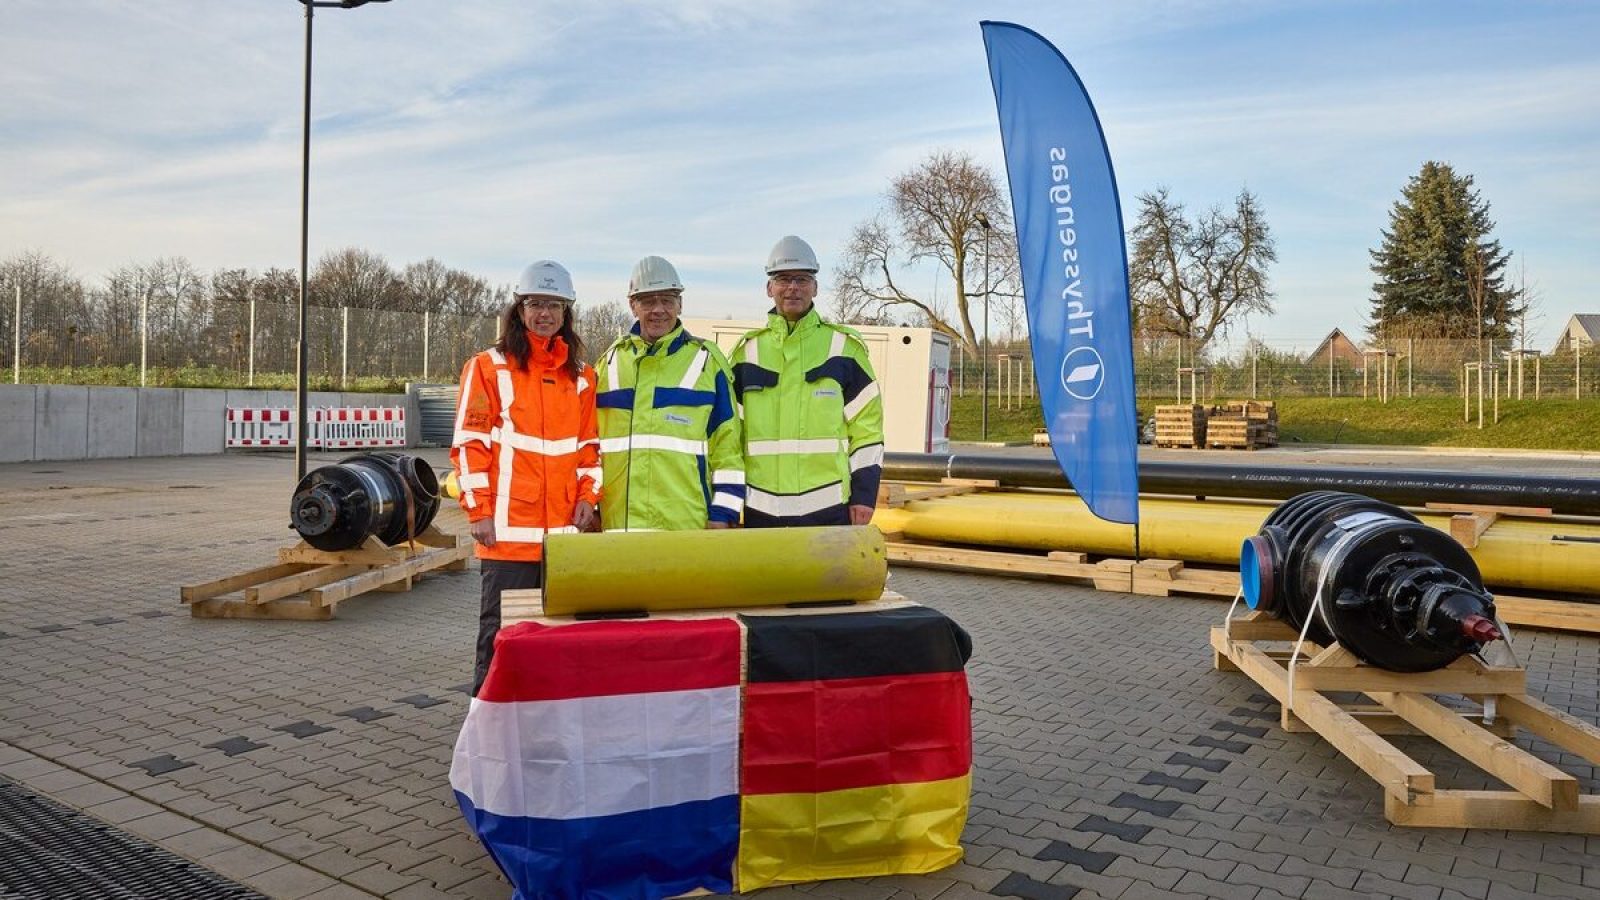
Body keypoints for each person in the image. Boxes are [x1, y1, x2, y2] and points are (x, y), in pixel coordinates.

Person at [451, 260, 600, 694]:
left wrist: (589, 496)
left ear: (566, 313)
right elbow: (469, 444)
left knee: (556, 635)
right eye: (535, 303)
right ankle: (489, 720)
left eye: (554, 305)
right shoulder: (488, 367)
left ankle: (545, 720)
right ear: (519, 309)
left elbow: (589, 448)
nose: (544, 313)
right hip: (507, 536)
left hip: (563, 538)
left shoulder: (582, 377)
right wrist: (477, 511)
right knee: (501, 635)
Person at [731, 236, 884, 527]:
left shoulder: (845, 349)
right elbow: (727, 437)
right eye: (783, 279)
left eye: (802, 279)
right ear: (769, 288)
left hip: (828, 508)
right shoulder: (744, 355)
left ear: (815, 287)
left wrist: (864, 496)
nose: (792, 288)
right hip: (759, 509)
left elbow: (867, 432)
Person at [594, 255, 743, 532]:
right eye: (648, 301)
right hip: (616, 529)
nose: (658, 309)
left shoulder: (707, 363)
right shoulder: (609, 364)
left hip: (686, 530)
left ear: (680, 304)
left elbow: (728, 447)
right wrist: (591, 507)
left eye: (667, 300)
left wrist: (723, 512)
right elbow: (589, 447)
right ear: (633, 305)